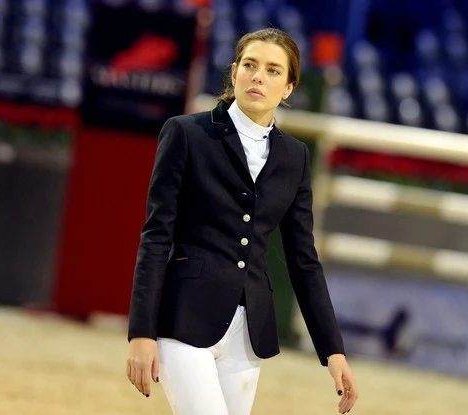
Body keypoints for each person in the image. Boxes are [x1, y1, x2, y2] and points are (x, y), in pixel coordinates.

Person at [126, 28, 358, 415]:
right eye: (250, 65)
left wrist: (332, 351)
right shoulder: (186, 133)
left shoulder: (294, 157)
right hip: (184, 319)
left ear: (288, 87)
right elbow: (155, 237)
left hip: (247, 335)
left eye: (272, 70)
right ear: (234, 73)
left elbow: (304, 260)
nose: (258, 76)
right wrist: (141, 333)